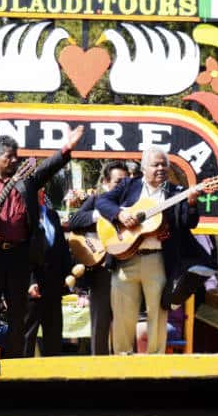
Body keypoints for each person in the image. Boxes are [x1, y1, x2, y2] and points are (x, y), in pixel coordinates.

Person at [0, 125, 85, 360]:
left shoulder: (27, 181)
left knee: (19, 314)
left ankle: (13, 363)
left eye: (17, 156)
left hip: (20, 257)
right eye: (9, 156)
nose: (14, 160)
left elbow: (47, 167)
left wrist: (66, 148)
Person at [95, 147, 201, 355]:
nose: (161, 168)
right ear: (144, 168)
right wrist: (120, 215)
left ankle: (156, 362)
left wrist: (192, 202)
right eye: (156, 164)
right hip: (126, 259)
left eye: (164, 164)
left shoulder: (176, 193)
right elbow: (102, 202)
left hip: (158, 261)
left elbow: (189, 223)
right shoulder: (128, 186)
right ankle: (121, 362)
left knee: (158, 315)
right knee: (123, 316)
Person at [67, 160, 129, 355]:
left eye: (127, 182)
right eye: (118, 181)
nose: (123, 186)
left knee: (126, 328)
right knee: (99, 326)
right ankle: (98, 372)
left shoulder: (134, 205)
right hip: (101, 273)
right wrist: (100, 214)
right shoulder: (96, 201)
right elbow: (74, 222)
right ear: (105, 183)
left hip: (129, 272)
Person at [24, 190, 72, 357]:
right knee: (27, 334)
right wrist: (30, 281)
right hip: (32, 285)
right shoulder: (22, 215)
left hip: (54, 283)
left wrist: (67, 273)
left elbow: (62, 247)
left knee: (54, 334)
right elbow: (21, 252)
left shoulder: (52, 215)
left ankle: (55, 377)